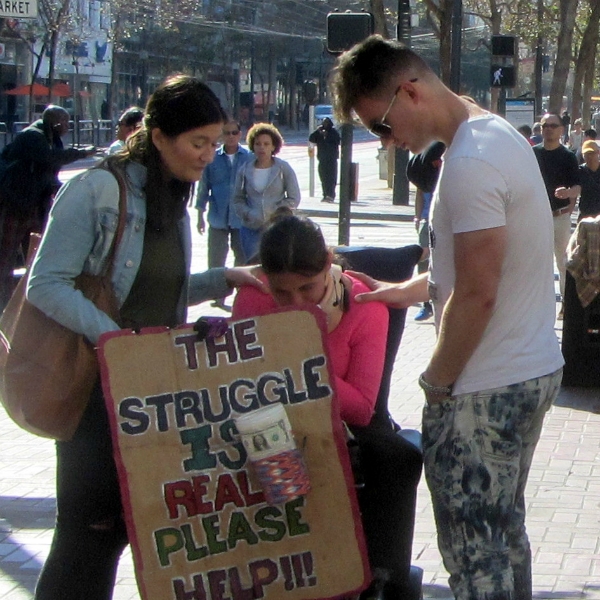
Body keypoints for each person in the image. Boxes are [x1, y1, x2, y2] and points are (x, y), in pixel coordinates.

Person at [331, 35, 564, 599]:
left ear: (408, 91)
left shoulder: (469, 161)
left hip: (483, 388)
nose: (385, 143)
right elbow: (475, 275)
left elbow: (479, 293)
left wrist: (435, 383)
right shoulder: (491, 135)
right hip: (525, 371)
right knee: (502, 538)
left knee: (474, 558)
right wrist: (408, 292)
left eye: (379, 126)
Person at [27, 75, 266, 600]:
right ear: (158, 136)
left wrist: (221, 280)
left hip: (150, 394)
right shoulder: (96, 190)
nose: (209, 155)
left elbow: (158, 292)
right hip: (94, 391)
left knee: (123, 532)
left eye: (214, 141)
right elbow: (46, 284)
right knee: (87, 535)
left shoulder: (172, 196)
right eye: (197, 143)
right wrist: (114, 339)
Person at [233, 213, 422, 597]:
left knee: (391, 457)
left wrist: (300, 357)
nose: (296, 303)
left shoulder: (364, 304)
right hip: (271, 429)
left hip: (343, 431)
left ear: (328, 267)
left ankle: (373, 580)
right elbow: (237, 386)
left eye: (308, 288)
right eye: (283, 293)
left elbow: (362, 407)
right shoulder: (253, 297)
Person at [0, 105, 95, 311]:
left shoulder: (53, 139)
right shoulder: (32, 136)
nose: (68, 126)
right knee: (5, 257)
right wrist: (81, 153)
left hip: (34, 205)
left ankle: (25, 305)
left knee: (35, 257)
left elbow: (48, 174)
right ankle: (5, 305)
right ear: (57, 122)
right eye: (66, 122)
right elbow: (49, 158)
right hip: (15, 204)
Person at [533, 113, 581, 317]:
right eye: (545, 125)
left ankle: (566, 306)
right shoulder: (532, 153)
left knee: (563, 262)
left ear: (562, 130)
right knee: (535, 263)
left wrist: (569, 194)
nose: (549, 129)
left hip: (559, 217)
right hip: (535, 217)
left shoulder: (568, 156)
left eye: (553, 125)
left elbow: (578, 185)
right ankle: (536, 308)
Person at [233, 123, 301, 262]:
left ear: (273, 146)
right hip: (251, 229)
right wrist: (248, 213)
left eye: (266, 143)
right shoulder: (244, 169)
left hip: (276, 228)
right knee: (253, 267)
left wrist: (277, 212)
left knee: (275, 265)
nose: (262, 147)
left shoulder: (283, 168)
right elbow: (237, 199)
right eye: (258, 144)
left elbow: (294, 197)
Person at [195, 120, 250, 279]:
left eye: (234, 133)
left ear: (240, 134)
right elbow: (203, 188)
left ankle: (241, 295)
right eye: (227, 133)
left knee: (242, 258)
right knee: (216, 258)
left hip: (242, 218)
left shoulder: (248, 158)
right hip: (217, 217)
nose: (231, 136)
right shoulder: (212, 158)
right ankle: (217, 294)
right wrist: (200, 216)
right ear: (221, 135)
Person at [406, 141, 445, 321]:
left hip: (443, 220)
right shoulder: (424, 172)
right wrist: (418, 216)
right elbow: (420, 193)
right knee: (424, 257)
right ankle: (426, 304)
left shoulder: (446, 169)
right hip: (427, 218)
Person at [308, 117, 341, 203]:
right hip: (322, 159)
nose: (325, 125)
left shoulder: (333, 133)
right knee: (323, 178)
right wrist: (318, 131)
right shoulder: (319, 133)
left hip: (332, 159)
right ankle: (325, 194)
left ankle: (331, 195)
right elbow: (311, 138)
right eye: (324, 123)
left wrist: (327, 135)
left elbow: (338, 140)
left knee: (331, 178)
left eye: (327, 123)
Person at [577, 140, 600, 220]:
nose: (589, 157)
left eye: (592, 153)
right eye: (586, 154)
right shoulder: (580, 171)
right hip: (585, 215)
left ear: (598, 153)